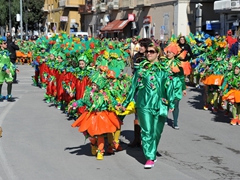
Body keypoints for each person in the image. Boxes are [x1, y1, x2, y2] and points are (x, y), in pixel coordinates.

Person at [122, 43, 175, 169]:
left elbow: (170, 86)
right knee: (147, 131)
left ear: (158, 53)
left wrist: (171, 102)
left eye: (152, 51)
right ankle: (150, 157)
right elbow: (133, 87)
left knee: (157, 132)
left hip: (160, 104)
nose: (149, 54)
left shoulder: (164, 69)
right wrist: (125, 102)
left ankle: (152, 150)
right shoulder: (141, 69)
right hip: (144, 104)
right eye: (147, 52)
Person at [129, 38, 152, 148]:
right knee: (137, 112)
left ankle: (147, 140)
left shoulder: (150, 57)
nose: (141, 47)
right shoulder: (136, 56)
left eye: (143, 46)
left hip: (148, 89)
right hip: (138, 87)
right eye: (140, 45)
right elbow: (133, 70)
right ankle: (137, 139)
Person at [162, 42, 187, 129]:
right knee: (165, 102)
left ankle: (175, 122)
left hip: (175, 85)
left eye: (171, 52)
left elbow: (181, 77)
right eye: (168, 52)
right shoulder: (163, 62)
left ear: (174, 54)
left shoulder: (178, 64)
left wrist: (183, 89)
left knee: (176, 103)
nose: (168, 54)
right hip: (166, 84)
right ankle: (164, 118)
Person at [0, 37, 15, 102]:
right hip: (1, 70)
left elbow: (9, 62)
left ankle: (9, 95)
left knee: (10, 81)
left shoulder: (7, 52)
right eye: (4, 43)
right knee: (0, 83)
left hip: (8, 70)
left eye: (6, 43)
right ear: (0, 45)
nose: (6, 44)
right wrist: (4, 68)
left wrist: (13, 66)